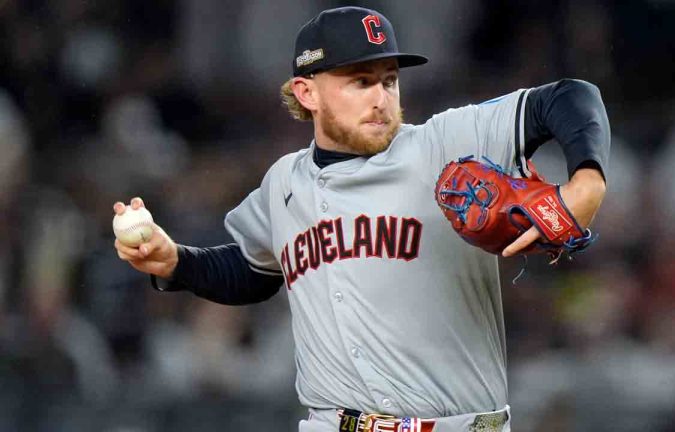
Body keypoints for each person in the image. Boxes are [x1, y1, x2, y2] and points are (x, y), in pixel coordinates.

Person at [113, 6, 609, 432]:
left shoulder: (443, 141)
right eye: (361, 82)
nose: (381, 97)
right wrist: (174, 262)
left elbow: (571, 97)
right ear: (307, 93)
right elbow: (252, 272)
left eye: (389, 80)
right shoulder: (283, 183)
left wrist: (587, 181)